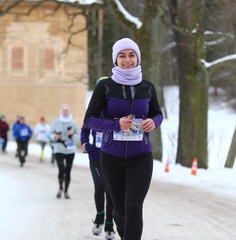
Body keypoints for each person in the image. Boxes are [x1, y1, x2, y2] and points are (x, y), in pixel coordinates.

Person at [83, 38, 163, 240]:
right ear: (115, 60)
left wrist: (153, 123)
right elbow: (89, 120)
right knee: (119, 211)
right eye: (122, 55)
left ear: (138, 58)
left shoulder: (148, 87)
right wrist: (115, 125)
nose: (127, 60)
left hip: (141, 156)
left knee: (134, 206)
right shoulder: (105, 87)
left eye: (131, 55)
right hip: (111, 156)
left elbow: (158, 114)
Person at [81, 77, 115, 240]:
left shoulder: (115, 109)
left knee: (111, 190)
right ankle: (100, 215)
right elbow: (84, 129)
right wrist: (85, 143)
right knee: (100, 185)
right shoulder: (94, 110)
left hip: (113, 155)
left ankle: (109, 223)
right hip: (95, 155)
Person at [50, 104, 80, 199]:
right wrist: (55, 136)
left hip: (70, 149)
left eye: (67, 110)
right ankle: (60, 188)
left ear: (69, 111)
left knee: (68, 171)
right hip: (59, 147)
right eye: (64, 110)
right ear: (61, 111)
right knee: (61, 169)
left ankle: (66, 191)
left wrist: (71, 135)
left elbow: (79, 137)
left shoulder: (74, 123)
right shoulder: (56, 122)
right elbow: (50, 134)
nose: (65, 112)